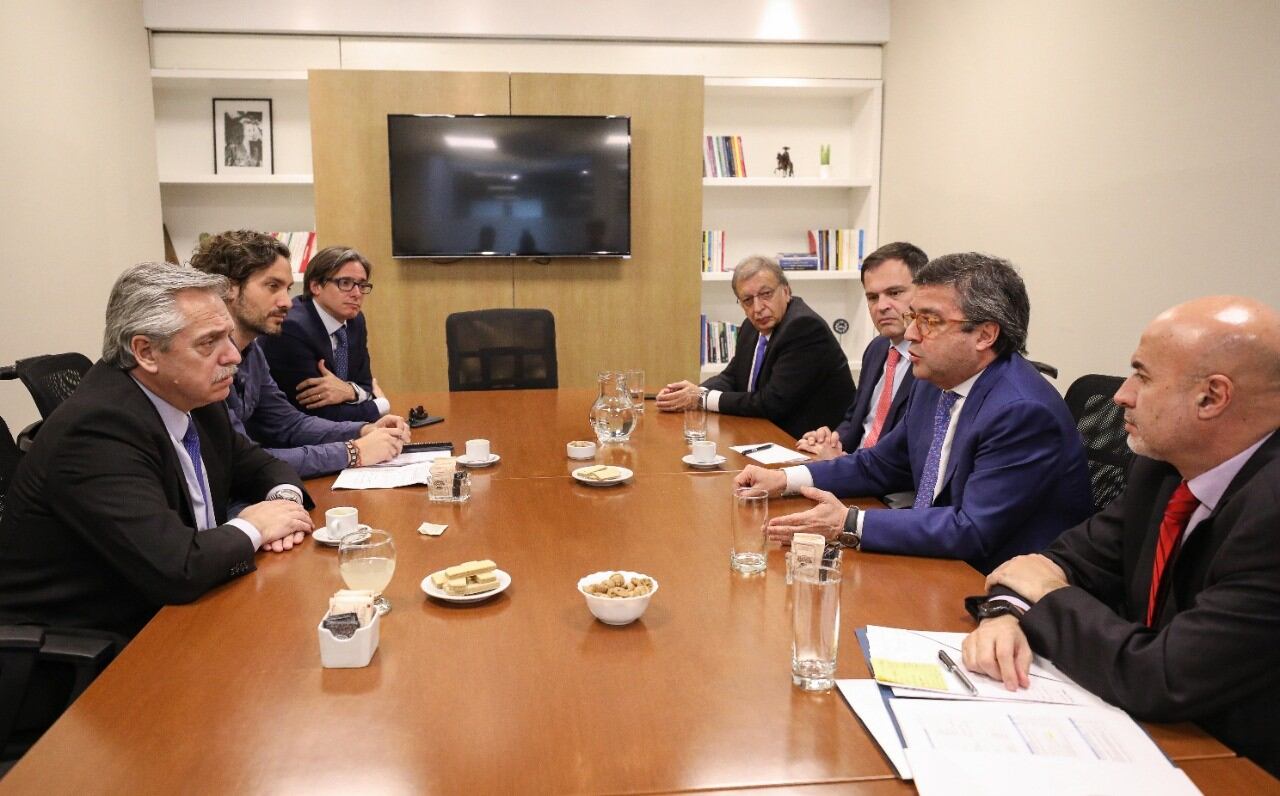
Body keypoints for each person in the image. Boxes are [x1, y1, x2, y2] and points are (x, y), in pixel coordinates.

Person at [961, 296, 1280, 776]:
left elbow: (1161, 676)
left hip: (1236, 763)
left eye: (1142, 376)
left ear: (1212, 397)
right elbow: (1054, 560)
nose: (1121, 395)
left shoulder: (1270, 516)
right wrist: (1004, 614)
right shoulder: (1163, 468)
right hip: (1153, 733)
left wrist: (1046, 595)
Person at [0, 262, 314, 640]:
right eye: (209, 342)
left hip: (177, 608)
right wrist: (256, 526)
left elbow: (261, 465)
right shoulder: (97, 430)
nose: (233, 355)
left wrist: (284, 506)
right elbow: (177, 567)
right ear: (146, 352)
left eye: (229, 337)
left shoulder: (193, 393)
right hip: (91, 648)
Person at [736, 252, 1092, 574]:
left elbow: (972, 530)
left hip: (993, 584)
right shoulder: (935, 380)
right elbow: (880, 464)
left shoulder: (1022, 412)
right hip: (935, 559)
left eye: (929, 321)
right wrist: (786, 480)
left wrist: (849, 522)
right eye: (912, 318)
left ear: (984, 334)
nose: (910, 333)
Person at [189, 231, 409, 478]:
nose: (287, 302)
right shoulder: (203, 363)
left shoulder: (254, 352)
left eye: (287, 289)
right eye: (272, 286)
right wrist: (353, 451)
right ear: (229, 288)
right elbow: (241, 460)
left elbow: (289, 423)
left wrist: (363, 430)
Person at [655, 255, 854, 439]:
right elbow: (732, 376)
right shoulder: (751, 327)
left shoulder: (804, 328)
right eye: (748, 300)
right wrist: (690, 393)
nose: (757, 308)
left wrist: (700, 398)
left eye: (766, 294)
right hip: (765, 435)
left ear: (786, 291)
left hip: (810, 444)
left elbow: (770, 403)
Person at [797, 241, 926, 459]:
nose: (881, 306)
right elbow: (856, 419)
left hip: (886, 484)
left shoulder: (933, 359)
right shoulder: (877, 349)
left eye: (894, 293)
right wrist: (833, 439)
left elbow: (907, 452)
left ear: (923, 292)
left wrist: (842, 463)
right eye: (872, 297)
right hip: (853, 465)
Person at [259, 246, 389, 422]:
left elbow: (365, 384)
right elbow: (318, 413)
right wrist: (380, 405)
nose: (357, 294)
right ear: (316, 286)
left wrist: (350, 391)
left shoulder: (355, 321)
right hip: (293, 438)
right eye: (345, 283)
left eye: (362, 285)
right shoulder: (291, 328)